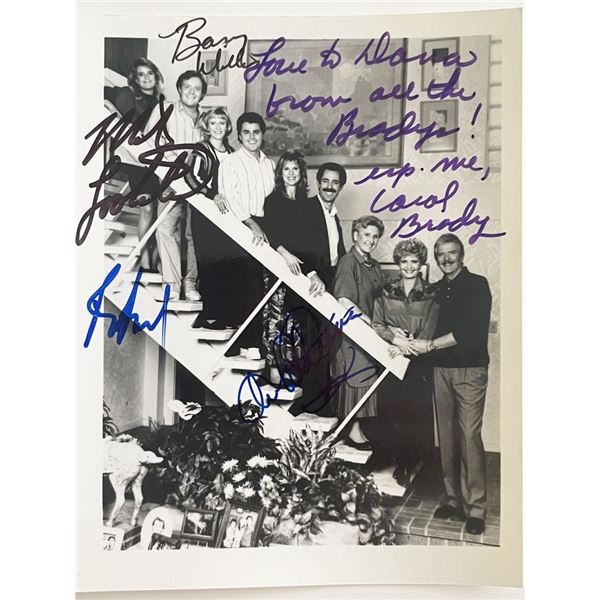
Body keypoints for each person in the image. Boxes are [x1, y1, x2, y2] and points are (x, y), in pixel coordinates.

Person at [412, 233, 492, 536]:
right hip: (441, 370)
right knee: (446, 436)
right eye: (441, 254)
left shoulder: (477, 285)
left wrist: (430, 345)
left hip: (470, 371)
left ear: (461, 254)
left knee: (469, 436)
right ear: (436, 257)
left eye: (452, 253)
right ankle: (452, 498)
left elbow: (468, 331)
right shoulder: (436, 289)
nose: (446, 258)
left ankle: (476, 509)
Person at [369, 238, 439, 485]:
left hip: (418, 361)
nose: (409, 266)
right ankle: (391, 457)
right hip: (391, 357)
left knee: (414, 413)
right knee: (390, 409)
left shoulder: (431, 293)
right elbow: (377, 324)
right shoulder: (385, 291)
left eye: (414, 261)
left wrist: (411, 346)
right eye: (404, 261)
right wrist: (394, 339)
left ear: (421, 264)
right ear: (398, 263)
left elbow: (432, 326)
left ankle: (411, 463)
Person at [143, 70, 207, 301]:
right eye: (187, 87)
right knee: (166, 228)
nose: (191, 92)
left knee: (193, 234)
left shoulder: (207, 119)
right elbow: (149, 141)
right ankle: (171, 284)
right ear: (179, 89)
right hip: (170, 180)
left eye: (197, 88)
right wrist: (173, 166)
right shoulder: (165, 110)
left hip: (198, 187)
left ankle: (190, 284)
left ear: (202, 94)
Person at [216, 112, 275, 341]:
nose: (251, 137)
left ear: (263, 134)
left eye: (256, 132)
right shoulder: (230, 162)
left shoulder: (269, 164)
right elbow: (230, 198)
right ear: (239, 136)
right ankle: (245, 342)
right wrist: (251, 224)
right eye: (246, 132)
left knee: (265, 289)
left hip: (267, 227)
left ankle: (258, 344)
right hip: (242, 227)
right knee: (247, 287)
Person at [331, 216, 386, 449]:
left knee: (367, 380)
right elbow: (344, 300)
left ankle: (356, 429)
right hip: (352, 335)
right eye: (366, 235)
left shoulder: (374, 266)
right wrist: (371, 322)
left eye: (375, 236)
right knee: (357, 380)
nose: (371, 240)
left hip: (369, 336)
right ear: (355, 235)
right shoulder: (348, 262)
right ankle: (352, 431)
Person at [184, 106, 238, 329]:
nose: (217, 127)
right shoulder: (201, 149)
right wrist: (212, 194)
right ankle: (209, 315)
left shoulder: (232, 152)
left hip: (225, 217)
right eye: (213, 123)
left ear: (228, 127)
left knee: (224, 264)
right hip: (204, 214)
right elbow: (190, 176)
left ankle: (222, 314)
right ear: (207, 126)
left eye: (222, 123)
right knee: (207, 261)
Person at [110, 58, 165, 271]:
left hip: (153, 160)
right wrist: (109, 106)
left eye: (150, 73)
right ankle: (144, 257)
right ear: (135, 78)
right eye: (141, 74)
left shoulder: (160, 101)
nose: (146, 78)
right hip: (132, 158)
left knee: (158, 211)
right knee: (147, 208)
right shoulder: (127, 94)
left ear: (156, 76)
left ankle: (154, 256)